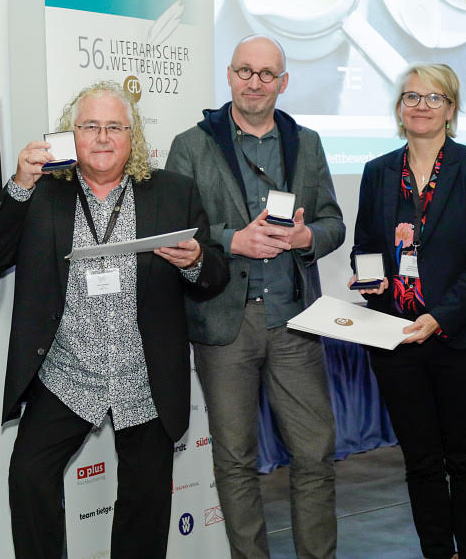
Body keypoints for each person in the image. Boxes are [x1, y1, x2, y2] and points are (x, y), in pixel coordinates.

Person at [0, 80, 229, 558]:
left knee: (144, 507)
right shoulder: (43, 192)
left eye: (115, 126)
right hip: (67, 374)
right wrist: (20, 186)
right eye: (90, 126)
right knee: (29, 478)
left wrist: (195, 259)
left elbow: (215, 274)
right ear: (70, 134)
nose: (103, 137)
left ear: (133, 136)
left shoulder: (172, 192)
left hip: (144, 377)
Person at [166, 35, 344, 558]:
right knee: (235, 460)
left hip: (295, 321)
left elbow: (333, 223)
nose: (255, 82)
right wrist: (232, 240)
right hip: (226, 324)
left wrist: (307, 237)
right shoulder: (191, 144)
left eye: (267, 74)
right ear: (229, 75)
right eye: (245, 71)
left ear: (283, 83)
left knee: (314, 455)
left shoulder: (306, 143)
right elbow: (175, 230)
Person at [349, 63, 466, 559]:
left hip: (463, 338)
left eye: (434, 97)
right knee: (420, 462)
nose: (421, 106)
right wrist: (369, 280)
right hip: (396, 339)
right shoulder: (378, 172)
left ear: (451, 109)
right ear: (399, 108)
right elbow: (365, 246)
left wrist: (440, 317)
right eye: (412, 97)